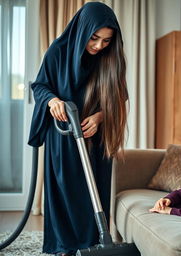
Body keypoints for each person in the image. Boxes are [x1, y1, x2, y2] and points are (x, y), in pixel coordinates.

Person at [28, 2, 128, 256]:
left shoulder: (111, 58)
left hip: (96, 135)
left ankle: (92, 245)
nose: (98, 46)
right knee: (64, 193)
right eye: (94, 38)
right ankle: (64, 247)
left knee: (93, 191)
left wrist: (98, 117)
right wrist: (53, 101)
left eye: (106, 41)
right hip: (62, 134)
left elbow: (118, 97)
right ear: (82, 29)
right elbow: (40, 85)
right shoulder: (57, 52)